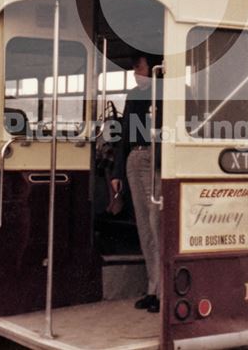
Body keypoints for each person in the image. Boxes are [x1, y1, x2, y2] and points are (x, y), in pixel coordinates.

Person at [110, 55, 162, 314]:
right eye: (133, 70)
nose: (135, 74)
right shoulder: (133, 96)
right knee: (143, 225)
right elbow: (123, 133)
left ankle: (163, 291)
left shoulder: (164, 93)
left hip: (155, 160)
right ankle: (153, 288)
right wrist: (117, 171)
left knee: (157, 224)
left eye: (139, 68)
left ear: (152, 70)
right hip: (134, 157)